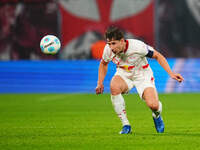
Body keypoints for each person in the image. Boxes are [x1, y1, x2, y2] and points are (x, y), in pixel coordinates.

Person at [95, 26, 184, 134]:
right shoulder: (108, 50)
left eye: (113, 43)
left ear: (122, 41)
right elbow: (103, 64)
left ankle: (157, 115)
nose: (111, 47)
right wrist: (100, 83)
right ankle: (126, 125)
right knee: (114, 86)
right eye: (109, 43)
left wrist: (171, 73)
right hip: (124, 73)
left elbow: (157, 55)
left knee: (153, 105)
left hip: (143, 75)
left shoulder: (138, 46)